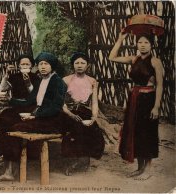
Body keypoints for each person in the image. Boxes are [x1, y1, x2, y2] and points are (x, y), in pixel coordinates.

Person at [0, 52, 67, 181]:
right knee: (8, 120)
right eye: (40, 64)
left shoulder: (58, 82)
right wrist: (8, 100)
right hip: (39, 116)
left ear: (52, 66)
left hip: (53, 120)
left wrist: (35, 115)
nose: (43, 67)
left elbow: (56, 107)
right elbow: (29, 102)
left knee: (16, 127)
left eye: (46, 64)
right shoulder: (42, 81)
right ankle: (7, 166)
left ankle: (5, 162)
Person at [109, 30, 164, 180]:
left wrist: (157, 106)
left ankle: (149, 169)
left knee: (148, 132)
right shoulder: (134, 59)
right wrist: (120, 40)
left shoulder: (155, 62)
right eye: (140, 42)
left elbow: (159, 86)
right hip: (135, 99)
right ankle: (140, 168)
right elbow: (111, 57)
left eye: (146, 42)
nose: (143, 45)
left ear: (152, 45)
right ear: (136, 44)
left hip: (149, 100)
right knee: (136, 132)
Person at [62, 52, 105, 176]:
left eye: (82, 63)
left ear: (88, 66)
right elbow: (60, 102)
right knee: (76, 129)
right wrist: (70, 114)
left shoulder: (92, 81)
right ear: (73, 65)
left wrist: (94, 117)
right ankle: (76, 161)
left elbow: (94, 102)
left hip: (84, 111)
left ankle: (84, 159)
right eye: (77, 63)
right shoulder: (65, 80)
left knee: (93, 129)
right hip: (68, 112)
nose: (79, 65)